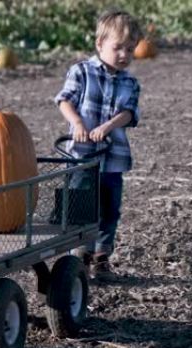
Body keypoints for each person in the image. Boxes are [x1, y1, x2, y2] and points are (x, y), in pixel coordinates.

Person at [54, 9, 142, 280]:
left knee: (109, 208)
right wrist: (79, 125)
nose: (124, 55)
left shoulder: (131, 82)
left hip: (113, 156)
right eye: (118, 48)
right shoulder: (81, 71)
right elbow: (64, 100)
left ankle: (101, 257)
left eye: (130, 49)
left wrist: (107, 127)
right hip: (81, 155)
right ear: (99, 44)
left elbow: (129, 113)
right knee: (81, 206)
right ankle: (80, 253)